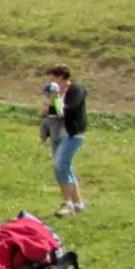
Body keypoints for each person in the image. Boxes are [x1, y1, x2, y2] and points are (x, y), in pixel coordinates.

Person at [43, 64, 89, 216]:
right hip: (58, 134)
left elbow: (68, 109)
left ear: (61, 77)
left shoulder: (76, 90)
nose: (51, 81)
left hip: (72, 134)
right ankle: (78, 203)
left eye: (53, 77)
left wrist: (54, 104)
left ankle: (67, 204)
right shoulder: (57, 94)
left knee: (60, 165)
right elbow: (49, 112)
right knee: (65, 167)